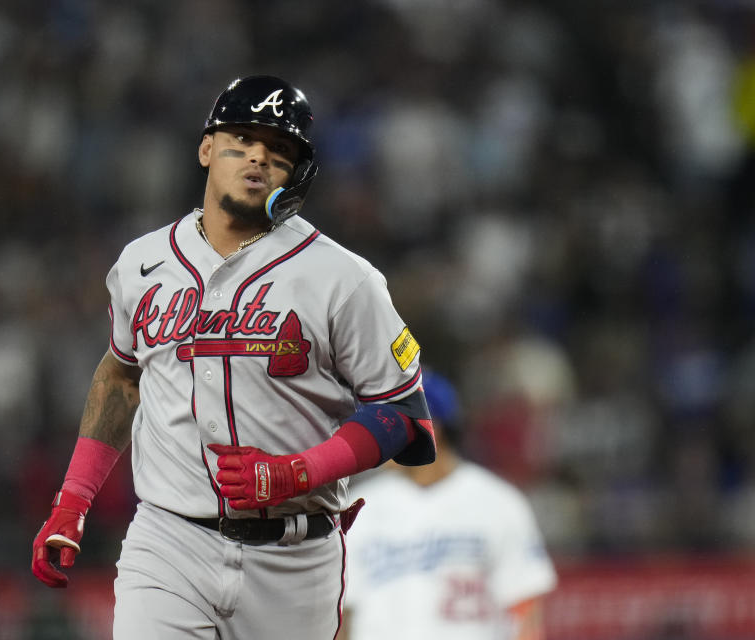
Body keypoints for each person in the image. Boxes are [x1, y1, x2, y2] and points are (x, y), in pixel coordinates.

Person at [30, 75, 436, 639]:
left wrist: (296, 472)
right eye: (241, 139)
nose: (257, 157)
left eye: (279, 150)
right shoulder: (141, 262)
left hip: (296, 556)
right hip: (169, 539)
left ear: (299, 173)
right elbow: (123, 377)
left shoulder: (344, 278)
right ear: (205, 149)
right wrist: (73, 500)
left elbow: (402, 414)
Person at [341, 368, 558, 640]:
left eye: (387, 424)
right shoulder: (359, 506)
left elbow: (526, 606)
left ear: (430, 428)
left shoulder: (498, 502)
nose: (375, 435)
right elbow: (341, 614)